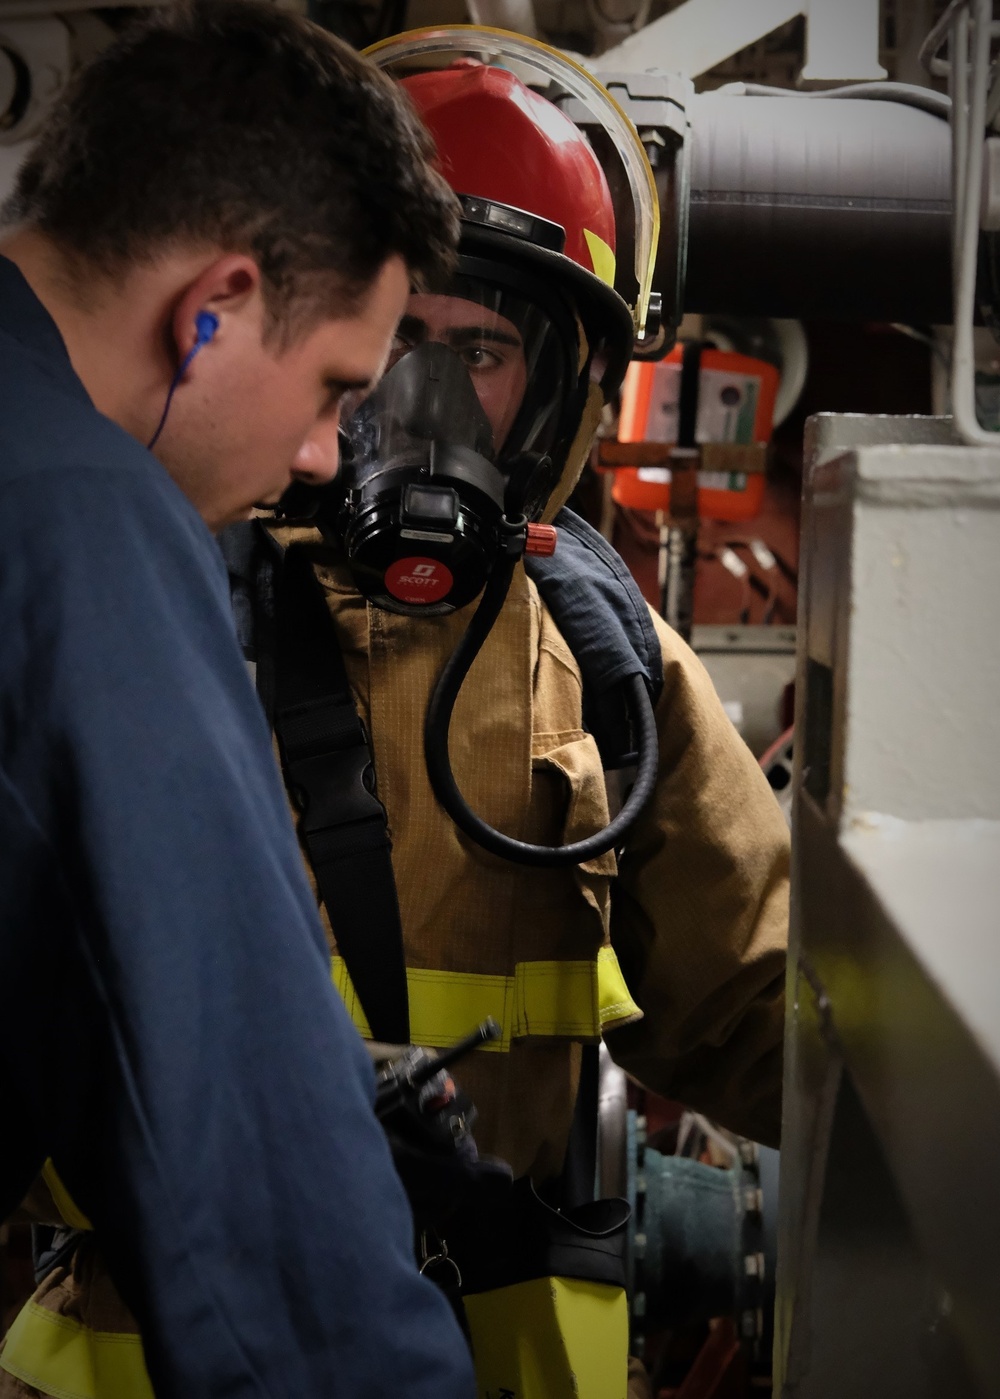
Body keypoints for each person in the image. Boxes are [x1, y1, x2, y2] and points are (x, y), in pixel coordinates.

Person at [2, 25, 790, 1399]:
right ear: (235, 304)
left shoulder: (609, 670)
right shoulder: (136, 571)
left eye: (479, 353)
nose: (388, 420)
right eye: (376, 360)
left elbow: (774, 1019)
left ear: (564, 391)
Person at [0, 4, 476, 1397]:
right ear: (214, 307)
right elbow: (262, 1203)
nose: (329, 457)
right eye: (334, 386)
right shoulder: (82, 522)